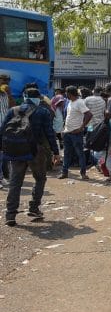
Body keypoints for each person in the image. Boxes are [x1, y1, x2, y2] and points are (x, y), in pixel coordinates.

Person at [2, 88, 61, 226]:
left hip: (16, 150)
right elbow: (49, 133)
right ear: (38, 98)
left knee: (15, 183)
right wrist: (56, 151)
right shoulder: (43, 111)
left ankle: (10, 215)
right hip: (36, 151)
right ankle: (34, 208)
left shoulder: (13, 110)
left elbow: (2, 129)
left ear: (25, 96)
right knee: (40, 179)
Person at [59, 86, 92, 180]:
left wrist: (81, 127)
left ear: (70, 93)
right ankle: (64, 172)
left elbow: (89, 115)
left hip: (76, 132)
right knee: (66, 153)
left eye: (66, 93)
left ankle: (83, 173)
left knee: (80, 153)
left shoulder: (80, 102)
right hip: (67, 132)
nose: (66, 95)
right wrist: (64, 129)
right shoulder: (69, 102)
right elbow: (68, 117)